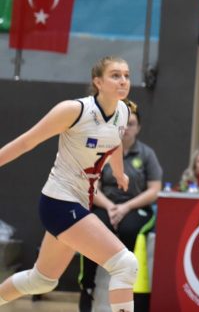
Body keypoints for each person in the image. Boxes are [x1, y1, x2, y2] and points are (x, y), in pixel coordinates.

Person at [0, 56, 138, 311]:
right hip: (59, 202)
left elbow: (115, 140)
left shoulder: (124, 111)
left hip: (79, 203)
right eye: (115, 75)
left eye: (126, 76)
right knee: (125, 264)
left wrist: (119, 172)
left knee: (41, 280)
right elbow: (26, 142)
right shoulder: (74, 110)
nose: (123, 81)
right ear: (98, 82)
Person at [79, 104, 162, 312]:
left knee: (129, 230)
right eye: (123, 124)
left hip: (135, 207)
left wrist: (125, 207)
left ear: (138, 128)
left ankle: (128, 292)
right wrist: (110, 207)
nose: (126, 128)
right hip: (105, 204)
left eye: (131, 124)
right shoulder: (102, 150)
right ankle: (87, 287)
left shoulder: (147, 154)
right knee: (92, 230)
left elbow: (154, 189)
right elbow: (91, 186)